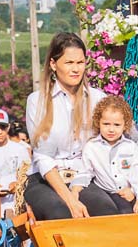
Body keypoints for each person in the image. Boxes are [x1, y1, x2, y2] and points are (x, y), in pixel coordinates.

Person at [25, 32, 106, 220]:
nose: (76, 69)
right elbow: (42, 156)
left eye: (80, 62)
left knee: (106, 210)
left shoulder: (97, 99)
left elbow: (124, 133)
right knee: (60, 212)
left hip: (83, 176)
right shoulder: (37, 102)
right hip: (47, 179)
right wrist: (70, 200)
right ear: (54, 65)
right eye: (69, 63)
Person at [72, 96, 138, 216]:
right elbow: (86, 172)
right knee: (106, 213)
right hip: (104, 191)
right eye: (106, 124)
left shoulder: (131, 147)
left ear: (125, 125)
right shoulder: (92, 147)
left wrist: (134, 191)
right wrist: (76, 187)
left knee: (128, 212)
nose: (111, 129)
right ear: (98, 123)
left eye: (117, 125)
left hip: (126, 192)